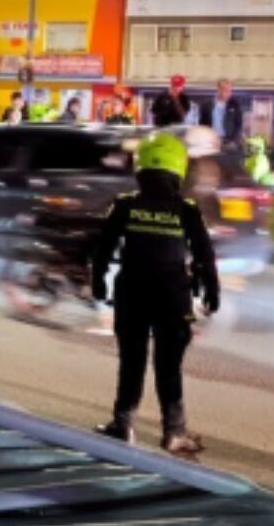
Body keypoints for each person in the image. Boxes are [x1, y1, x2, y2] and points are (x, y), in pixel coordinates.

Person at [88, 131, 218, 455]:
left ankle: (123, 424)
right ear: (179, 170)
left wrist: (98, 281)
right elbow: (204, 255)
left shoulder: (125, 205)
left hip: (131, 293)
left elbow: (103, 249)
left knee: (131, 361)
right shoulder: (187, 210)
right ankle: (174, 433)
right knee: (168, 365)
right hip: (172, 297)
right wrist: (211, 291)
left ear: (140, 169)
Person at [210, 80, 245, 150]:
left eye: (230, 91)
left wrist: (233, 141)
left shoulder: (235, 105)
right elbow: (203, 123)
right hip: (211, 141)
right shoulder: (207, 105)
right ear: (219, 90)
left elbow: (238, 125)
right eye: (225, 90)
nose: (228, 93)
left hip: (228, 141)